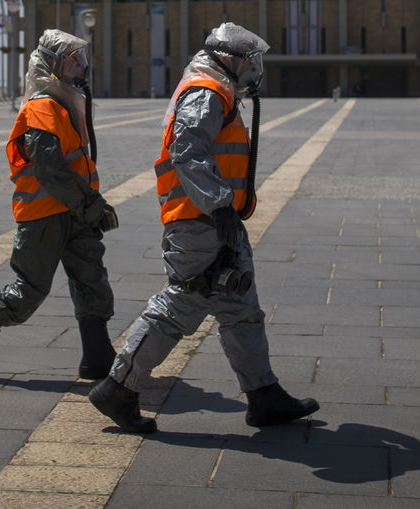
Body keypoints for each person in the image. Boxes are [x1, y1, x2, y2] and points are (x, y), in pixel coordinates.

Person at [89, 22, 319, 434]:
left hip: (213, 218)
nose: (253, 68)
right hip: (199, 221)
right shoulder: (206, 91)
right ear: (228, 58)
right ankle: (117, 386)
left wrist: (224, 209)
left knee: (241, 306)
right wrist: (219, 205)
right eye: (248, 59)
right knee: (181, 305)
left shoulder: (219, 91)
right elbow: (188, 149)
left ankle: (264, 394)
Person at [0, 29, 118, 380]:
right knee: (29, 290)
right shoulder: (43, 107)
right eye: (72, 59)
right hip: (45, 214)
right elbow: (50, 169)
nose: (80, 65)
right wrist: (91, 205)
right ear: (53, 65)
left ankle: (97, 356)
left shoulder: (65, 105)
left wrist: (90, 204)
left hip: (75, 211)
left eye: (79, 58)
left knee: (92, 279)